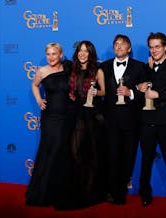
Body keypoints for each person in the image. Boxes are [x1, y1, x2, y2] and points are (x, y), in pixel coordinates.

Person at [137, 32, 166, 208]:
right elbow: (138, 89)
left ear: (165, 47)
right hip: (146, 120)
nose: (154, 50)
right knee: (146, 159)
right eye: (151, 47)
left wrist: (159, 94)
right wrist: (138, 86)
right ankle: (144, 193)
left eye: (157, 46)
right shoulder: (145, 68)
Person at [25, 42, 75, 208]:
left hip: (66, 116)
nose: (51, 57)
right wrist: (39, 99)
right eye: (48, 54)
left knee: (62, 150)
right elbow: (34, 85)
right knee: (49, 149)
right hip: (50, 117)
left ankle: (60, 190)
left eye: (54, 54)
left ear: (61, 54)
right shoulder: (42, 71)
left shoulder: (68, 70)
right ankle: (43, 191)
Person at [100, 34, 146, 205]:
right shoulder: (102, 67)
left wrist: (131, 93)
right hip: (109, 121)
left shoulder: (140, 67)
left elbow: (146, 91)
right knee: (110, 156)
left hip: (131, 121)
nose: (119, 47)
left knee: (128, 157)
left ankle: (119, 193)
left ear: (129, 48)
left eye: (123, 44)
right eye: (116, 44)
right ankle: (109, 191)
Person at [68, 40, 107, 207]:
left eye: (86, 51)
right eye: (80, 50)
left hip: (93, 116)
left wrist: (96, 91)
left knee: (92, 154)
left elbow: (104, 91)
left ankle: (90, 190)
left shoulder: (97, 71)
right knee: (74, 152)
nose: (82, 53)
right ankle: (78, 187)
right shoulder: (72, 70)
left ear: (91, 53)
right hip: (76, 114)